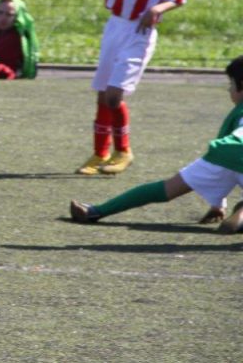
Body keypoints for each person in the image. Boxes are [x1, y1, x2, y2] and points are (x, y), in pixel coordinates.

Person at [71, 0, 185, 175]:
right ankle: (99, 154)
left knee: (114, 95)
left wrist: (157, 8)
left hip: (139, 32)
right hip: (115, 27)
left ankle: (123, 151)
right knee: (101, 95)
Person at [70, 55, 243, 234]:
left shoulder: (237, 112)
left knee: (165, 189)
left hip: (228, 151)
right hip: (234, 151)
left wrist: (218, 204)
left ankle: (95, 211)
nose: (229, 90)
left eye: (231, 85)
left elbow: (226, 156)